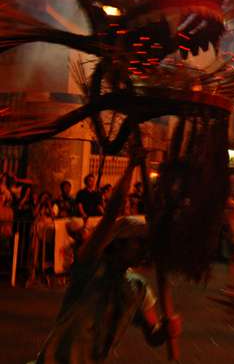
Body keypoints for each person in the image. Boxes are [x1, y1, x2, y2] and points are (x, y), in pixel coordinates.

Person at [30, 154, 181, 363]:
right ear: (119, 243)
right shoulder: (90, 265)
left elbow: (153, 337)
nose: (144, 249)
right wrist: (131, 167)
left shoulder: (139, 289)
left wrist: (166, 330)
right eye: (138, 242)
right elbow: (111, 214)